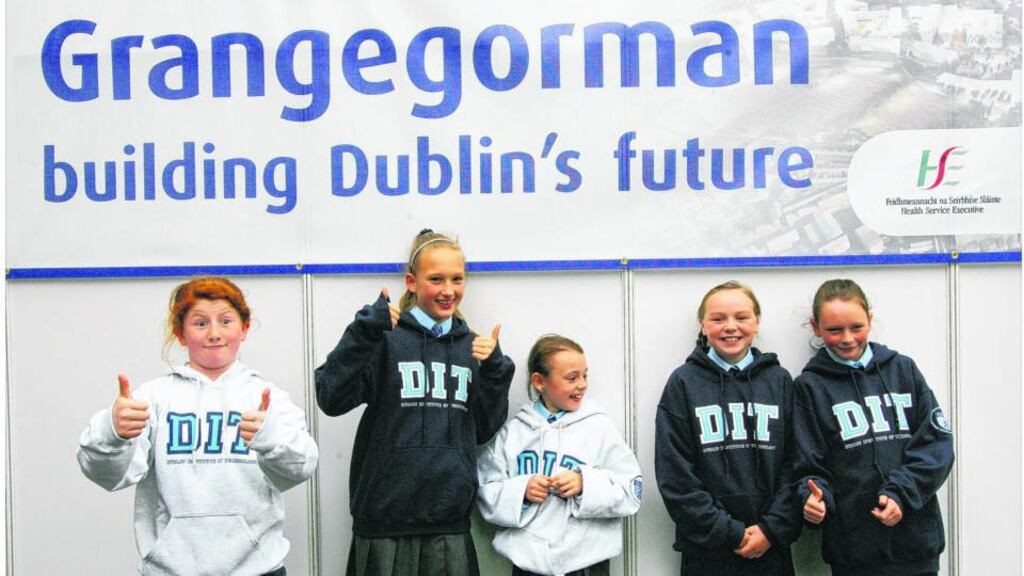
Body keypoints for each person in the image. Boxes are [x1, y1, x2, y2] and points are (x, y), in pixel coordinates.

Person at [77, 276, 319, 576]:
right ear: (181, 333)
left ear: (244, 328)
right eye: (200, 323)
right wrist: (112, 432)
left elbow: (302, 467)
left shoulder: (268, 399)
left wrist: (270, 437)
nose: (214, 334)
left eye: (226, 321)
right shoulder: (151, 398)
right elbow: (106, 475)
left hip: (258, 570)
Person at [315, 229, 515, 576]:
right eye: (436, 279)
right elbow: (330, 397)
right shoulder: (384, 338)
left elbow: (482, 430)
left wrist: (495, 371)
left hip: (448, 526)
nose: (448, 290)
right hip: (383, 526)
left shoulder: (472, 347)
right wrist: (362, 333)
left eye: (457, 279)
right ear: (411, 281)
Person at [794, 278, 954, 576]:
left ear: (870, 319)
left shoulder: (903, 369)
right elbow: (807, 465)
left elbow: (936, 445)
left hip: (916, 545)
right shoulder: (809, 387)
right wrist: (812, 498)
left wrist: (901, 494)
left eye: (856, 327)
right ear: (815, 327)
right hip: (853, 552)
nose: (847, 338)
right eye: (834, 330)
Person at [655, 281, 800, 576]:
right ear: (703, 324)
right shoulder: (683, 383)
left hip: (771, 547)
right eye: (718, 319)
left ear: (757, 322)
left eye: (741, 317)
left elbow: (796, 462)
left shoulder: (779, 381)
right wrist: (728, 532)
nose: (730, 327)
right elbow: (675, 473)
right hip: (706, 550)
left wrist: (772, 528)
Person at [477, 334, 643, 576]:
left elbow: (632, 490)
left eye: (585, 375)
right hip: (528, 567)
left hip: (586, 566)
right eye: (572, 378)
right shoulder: (514, 432)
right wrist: (522, 491)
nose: (582, 385)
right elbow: (485, 489)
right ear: (539, 381)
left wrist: (585, 484)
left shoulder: (599, 428)